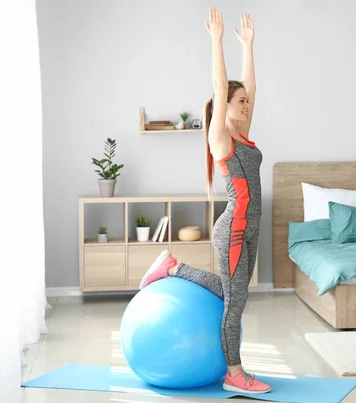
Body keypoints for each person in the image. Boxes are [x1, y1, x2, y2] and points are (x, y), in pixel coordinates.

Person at [138, 7, 270, 395]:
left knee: (236, 294)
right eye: (239, 101)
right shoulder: (221, 139)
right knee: (235, 304)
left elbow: (253, 87)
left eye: (247, 102)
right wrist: (216, 41)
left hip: (251, 230)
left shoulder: (244, 133)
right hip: (233, 230)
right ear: (224, 107)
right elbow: (218, 85)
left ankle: (172, 267)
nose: (246, 105)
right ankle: (235, 372)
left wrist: (248, 46)